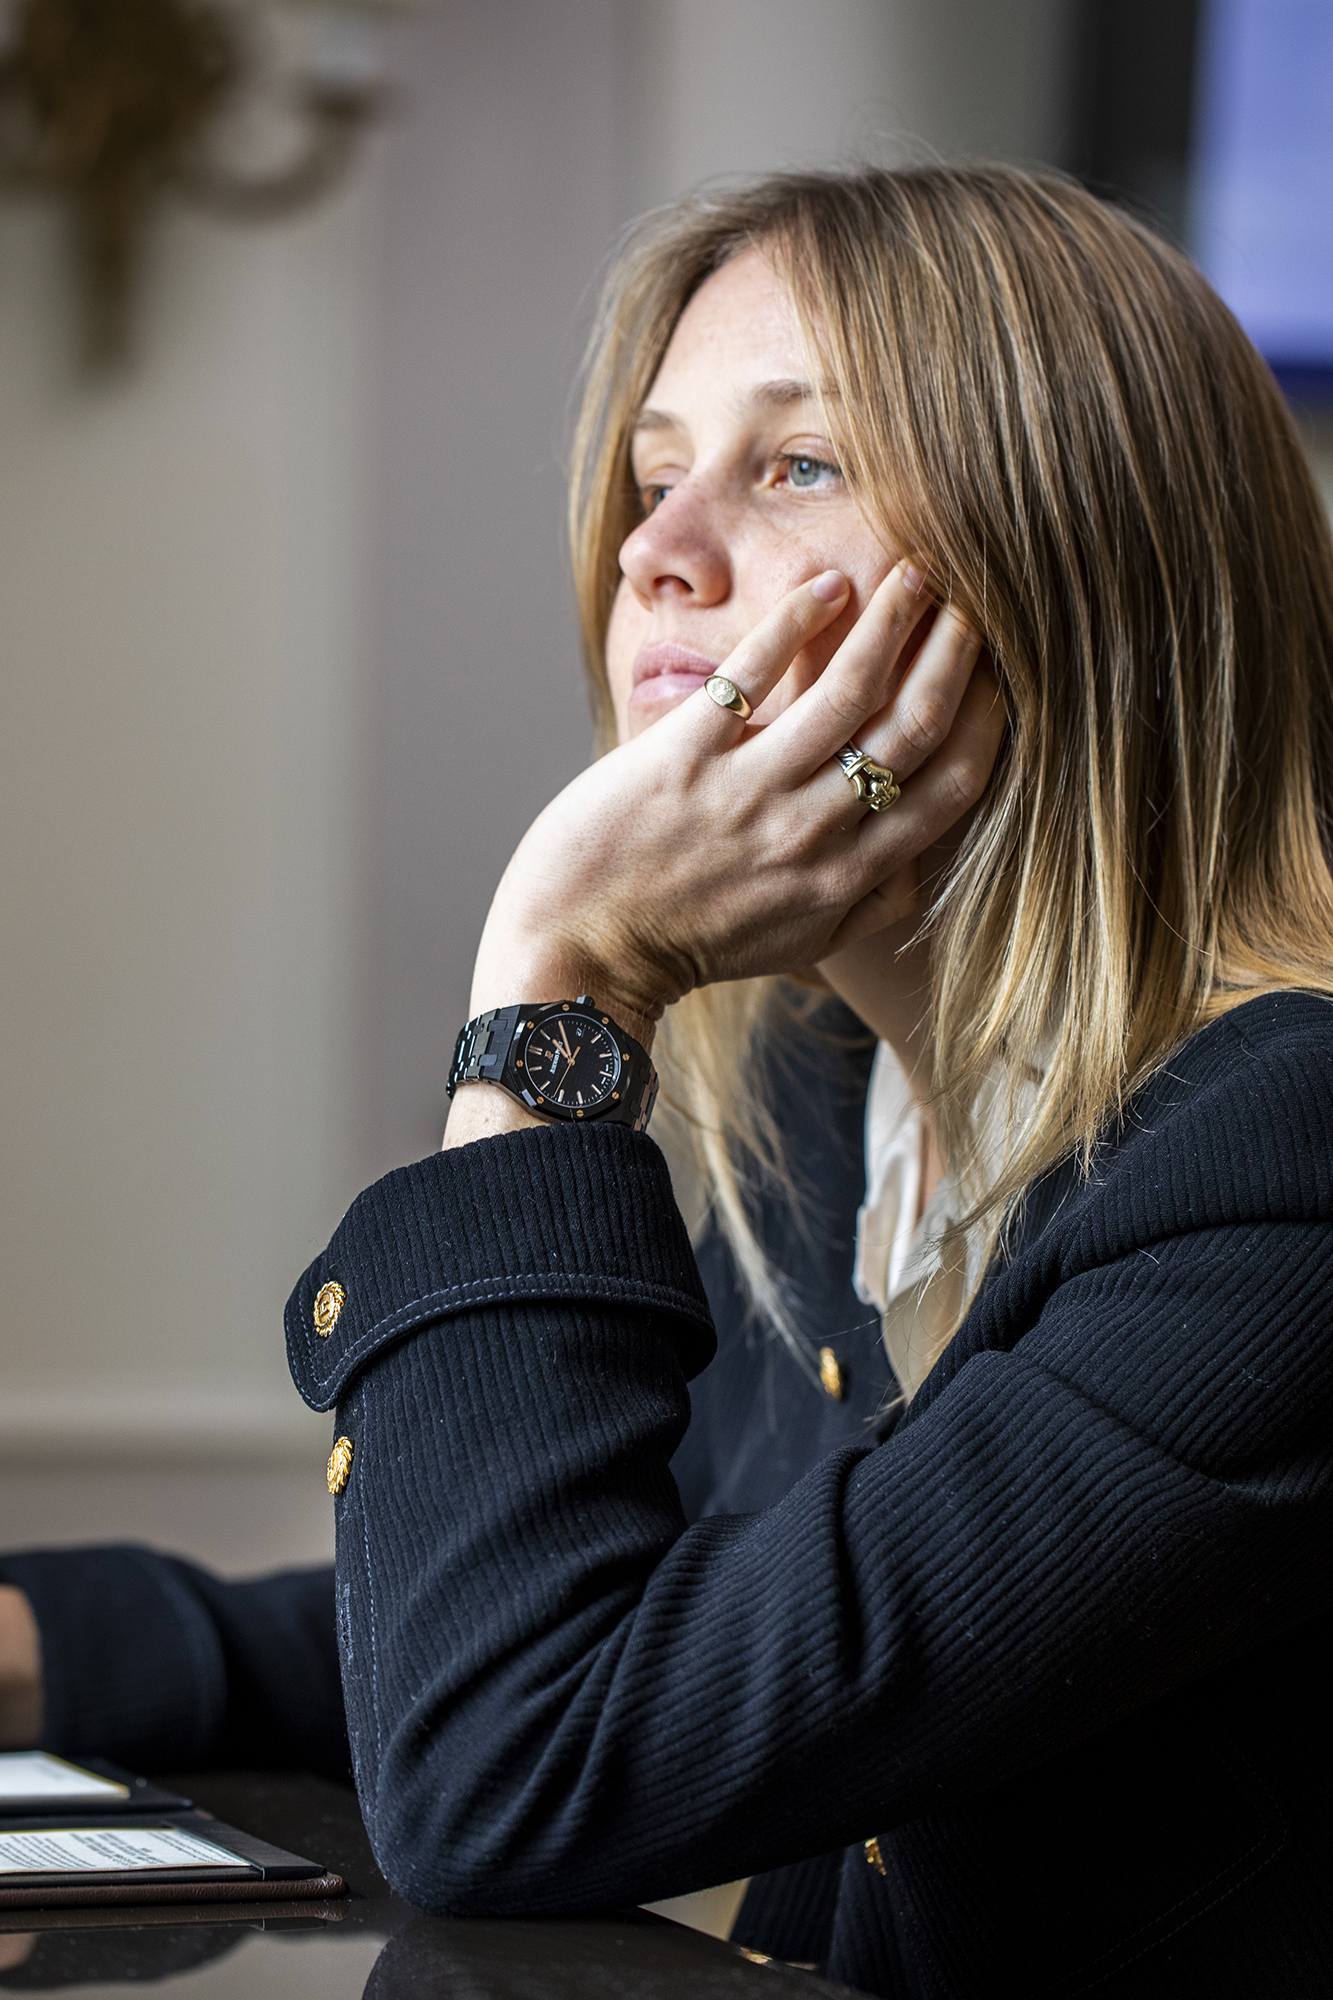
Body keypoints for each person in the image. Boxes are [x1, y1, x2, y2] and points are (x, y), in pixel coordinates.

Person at [5, 163, 1333, 1996]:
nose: (654, 552)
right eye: (650, 478)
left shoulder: (1288, 1165)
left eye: (794, 465)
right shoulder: (822, 1103)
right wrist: (42, 1644)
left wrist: (566, 983)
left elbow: (519, 1764)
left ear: (1085, 558)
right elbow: (612, 1609)